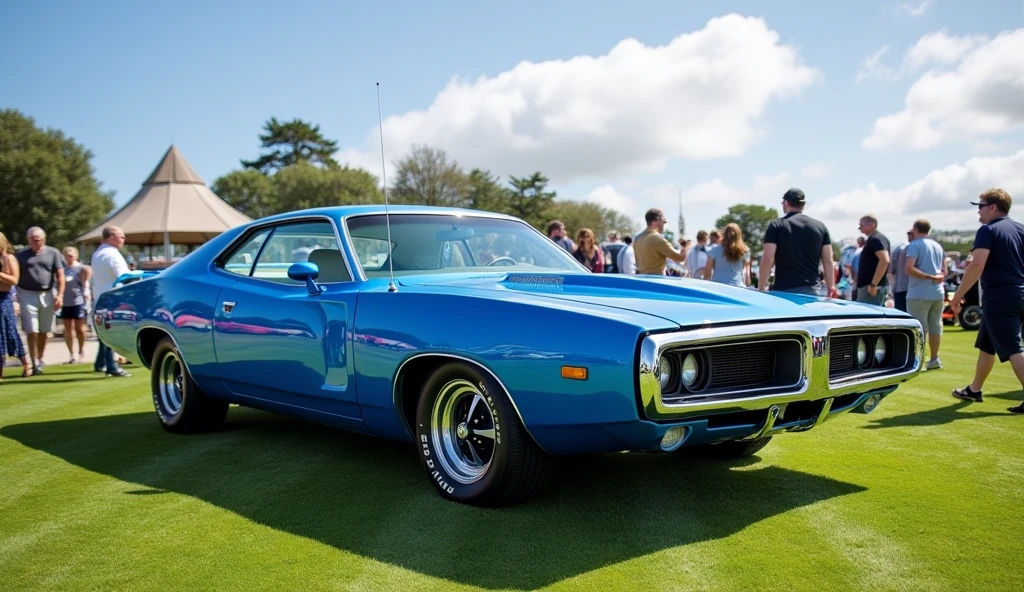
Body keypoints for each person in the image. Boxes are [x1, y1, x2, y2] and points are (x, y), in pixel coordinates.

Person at [950, 189, 1024, 413]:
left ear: (993, 207)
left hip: (1000, 296)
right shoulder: (1021, 229)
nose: (978, 212)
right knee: (987, 344)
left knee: (1013, 348)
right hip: (1019, 293)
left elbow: (977, 264)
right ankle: (975, 389)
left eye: (980, 206)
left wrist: (958, 294)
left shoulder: (987, 230)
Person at [758, 188, 837, 297]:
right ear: (802, 205)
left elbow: (768, 258)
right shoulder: (820, 226)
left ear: (786, 203)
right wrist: (831, 287)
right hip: (813, 290)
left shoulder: (776, 225)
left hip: (784, 289)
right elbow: (828, 260)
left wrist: (761, 287)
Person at [15, 226, 65, 375]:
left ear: (43, 239)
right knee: (32, 331)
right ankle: (34, 362)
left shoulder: (53, 253)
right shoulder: (21, 255)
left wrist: (60, 295)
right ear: (28, 239)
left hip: (47, 294)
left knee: (44, 331)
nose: (35, 242)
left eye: (37, 239)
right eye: (32, 239)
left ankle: (40, 358)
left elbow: (60, 275)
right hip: (26, 293)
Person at [904, 220, 946, 370]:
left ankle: (917, 361)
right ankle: (935, 358)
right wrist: (934, 278)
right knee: (935, 327)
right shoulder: (937, 246)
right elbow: (944, 271)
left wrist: (929, 277)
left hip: (918, 292)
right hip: (937, 292)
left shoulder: (914, 245)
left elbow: (909, 268)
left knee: (919, 328)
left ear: (915, 229)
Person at [90, 226, 132, 377]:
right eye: (121, 237)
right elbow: (125, 277)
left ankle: (100, 362)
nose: (123, 240)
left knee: (104, 333)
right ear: (111, 236)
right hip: (113, 298)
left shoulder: (98, 253)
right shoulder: (113, 255)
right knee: (112, 333)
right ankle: (111, 366)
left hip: (100, 297)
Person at [0, 232, 32, 379]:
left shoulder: (10, 259)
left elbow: (14, 280)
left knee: (10, 333)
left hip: (4, 300)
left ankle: (26, 364)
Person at [59, 246, 91, 364]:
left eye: (71, 253)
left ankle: (81, 350)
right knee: (67, 328)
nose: (69, 255)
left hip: (78, 301)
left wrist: (86, 294)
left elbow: (85, 283)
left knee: (79, 328)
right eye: (67, 254)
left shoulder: (81, 268)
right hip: (66, 302)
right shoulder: (62, 269)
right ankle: (71, 354)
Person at [633, 209, 687, 275]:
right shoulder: (657, 238)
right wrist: (685, 246)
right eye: (664, 220)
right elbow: (680, 258)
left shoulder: (637, 238)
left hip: (642, 279)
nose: (664, 223)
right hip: (657, 280)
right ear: (658, 220)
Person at [855, 215, 891, 306]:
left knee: (867, 318)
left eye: (861, 226)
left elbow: (884, 260)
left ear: (871, 225)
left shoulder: (876, 239)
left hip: (871, 289)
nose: (859, 228)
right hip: (870, 287)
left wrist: (873, 284)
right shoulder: (875, 239)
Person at [704, 223, 751, 287]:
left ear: (724, 234)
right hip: (738, 286)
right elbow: (744, 271)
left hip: (718, 286)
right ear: (739, 235)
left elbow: (707, 274)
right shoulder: (745, 250)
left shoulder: (714, 250)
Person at [889, 231, 913, 312]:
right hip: (909, 288)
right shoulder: (903, 249)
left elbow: (892, 271)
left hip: (901, 287)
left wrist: (892, 287)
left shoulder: (898, 249)